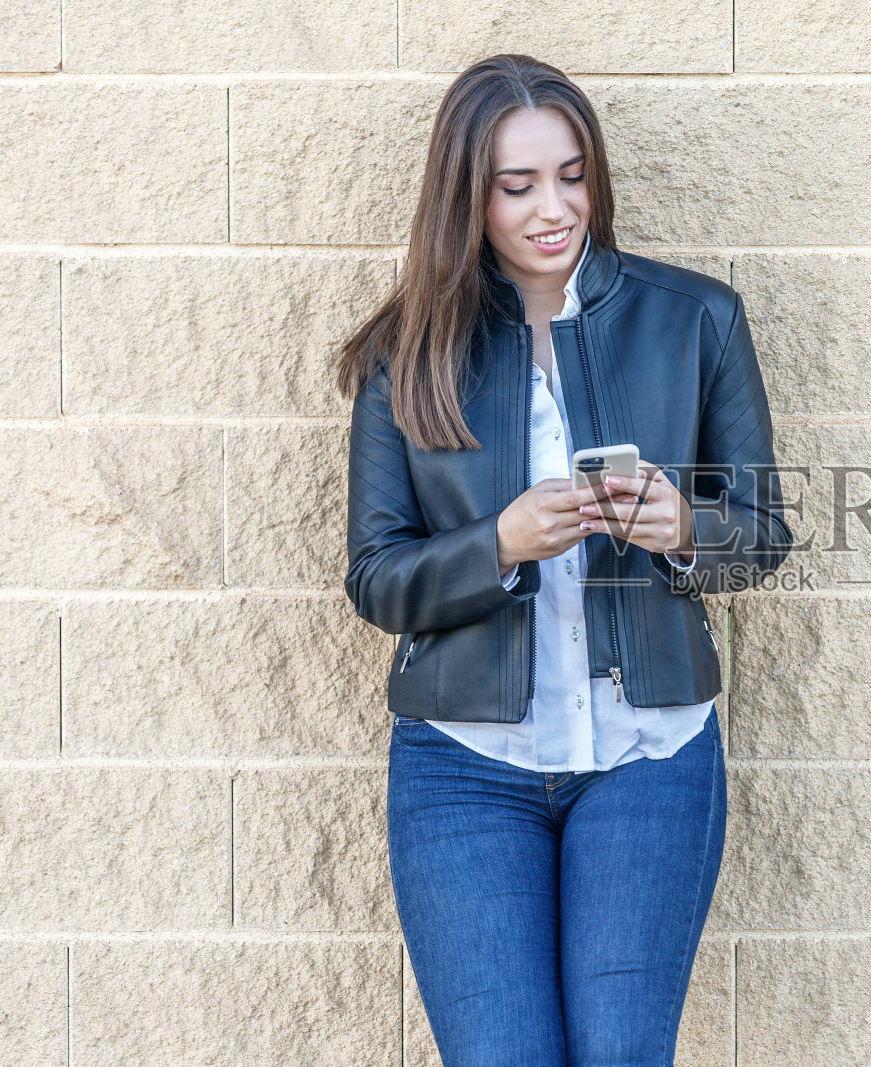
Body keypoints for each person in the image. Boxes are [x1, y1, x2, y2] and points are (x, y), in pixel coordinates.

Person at [334, 53, 794, 1067]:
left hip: (649, 756)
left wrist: (681, 525)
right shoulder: (403, 354)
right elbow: (375, 576)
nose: (555, 207)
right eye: (518, 185)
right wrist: (498, 543)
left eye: (572, 174)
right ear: (468, 195)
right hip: (464, 767)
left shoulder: (697, 319)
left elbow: (763, 535)